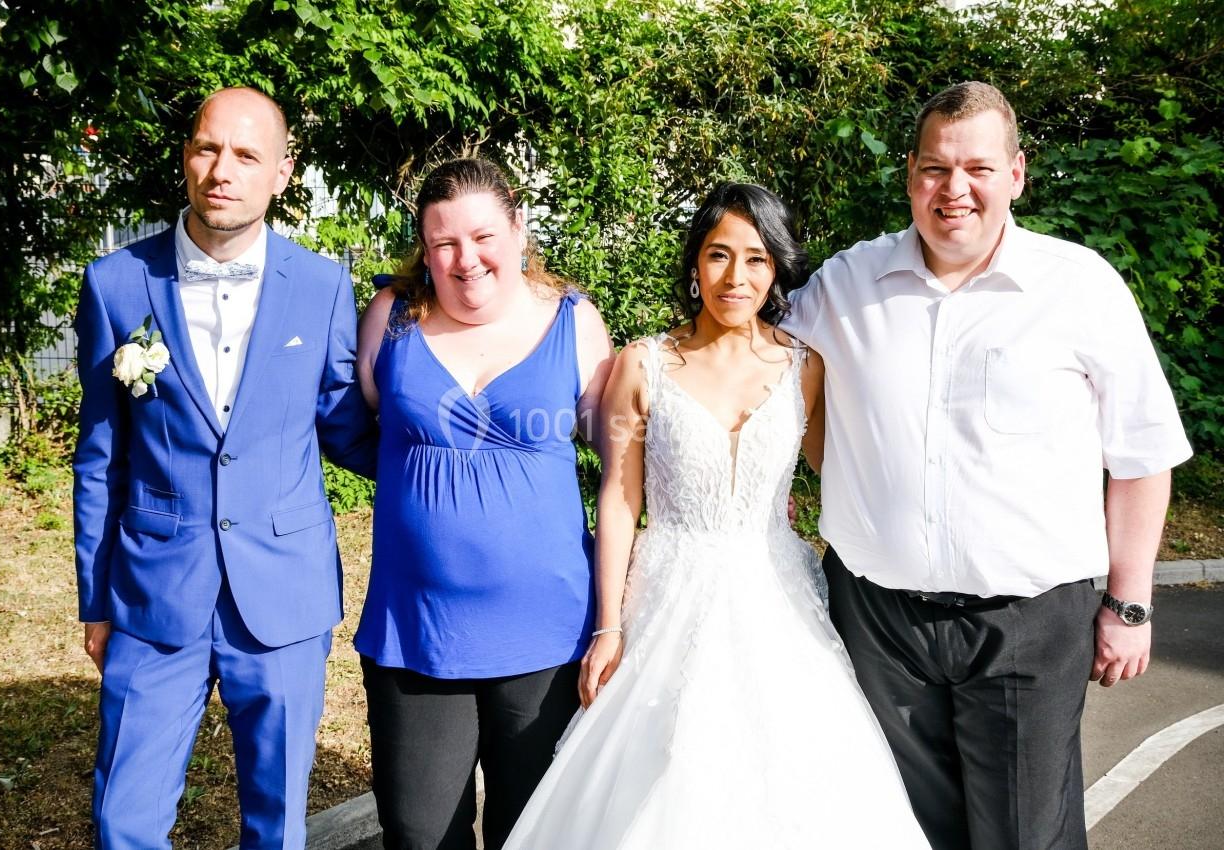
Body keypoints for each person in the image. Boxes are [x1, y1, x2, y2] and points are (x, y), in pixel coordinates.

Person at [783, 81, 1193, 850]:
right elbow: (748, 356)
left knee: (1024, 837)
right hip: (879, 620)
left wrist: (1130, 605)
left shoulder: (1079, 287)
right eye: (936, 168)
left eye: (977, 167)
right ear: (910, 175)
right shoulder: (846, 284)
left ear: (1016, 174)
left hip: (1028, 623)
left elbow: (1141, 456)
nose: (954, 189)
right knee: (896, 830)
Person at [502, 183, 929, 849]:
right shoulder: (644, 363)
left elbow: (843, 477)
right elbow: (619, 496)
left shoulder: (805, 366)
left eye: (756, 259)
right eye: (719, 255)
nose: (736, 277)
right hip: (668, 592)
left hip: (778, 594)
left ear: (777, 268)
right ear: (695, 266)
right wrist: (608, 625)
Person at [73, 87, 375, 849]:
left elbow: (345, 426)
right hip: (151, 596)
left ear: (281, 172)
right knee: (123, 822)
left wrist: (450, 452)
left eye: (246, 155)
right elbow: (99, 456)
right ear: (186, 156)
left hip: (282, 597)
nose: (221, 170)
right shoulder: (115, 284)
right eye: (207, 148)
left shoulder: (323, 286)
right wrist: (94, 597)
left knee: (275, 826)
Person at [352, 157, 615, 850]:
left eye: (482, 236)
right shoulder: (391, 318)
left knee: (531, 834)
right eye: (444, 243)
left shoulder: (575, 321)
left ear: (518, 227)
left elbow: (621, 470)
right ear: (424, 247)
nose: (465, 259)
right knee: (418, 834)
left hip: (548, 639)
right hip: (418, 635)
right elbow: (367, 425)